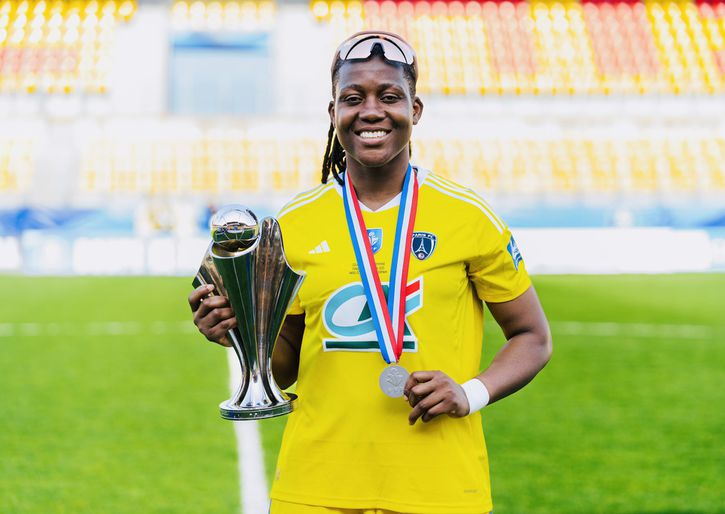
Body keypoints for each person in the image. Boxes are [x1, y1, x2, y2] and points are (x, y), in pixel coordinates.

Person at [188, 31, 552, 514]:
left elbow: (533, 337)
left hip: (439, 488)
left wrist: (470, 393)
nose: (372, 111)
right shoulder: (293, 224)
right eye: (353, 98)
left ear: (415, 110)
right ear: (333, 112)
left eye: (390, 96)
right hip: (315, 486)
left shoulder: (468, 216)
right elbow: (285, 363)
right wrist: (237, 334)